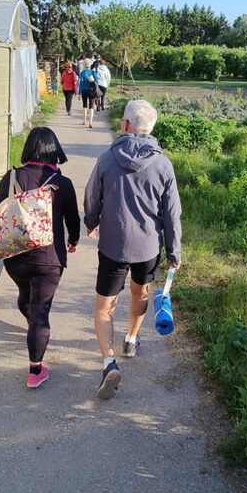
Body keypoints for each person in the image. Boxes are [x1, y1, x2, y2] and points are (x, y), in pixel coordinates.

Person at [83, 99, 182, 399]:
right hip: (148, 248)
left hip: (113, 245)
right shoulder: (163, 164)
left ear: (125, 124)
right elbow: (171, 214)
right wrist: (174, 251)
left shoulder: (106, 159)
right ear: (150, 128)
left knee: (104, 307)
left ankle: (109, 363)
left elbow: (92, 197)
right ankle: (130, 339)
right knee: (141, 294)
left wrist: (91, 222)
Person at [0, 127, 80, 388]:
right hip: (49, 260)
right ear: (54, 150)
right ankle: (35, 370)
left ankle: (31, 323)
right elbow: (73, 219)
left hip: (16, 256)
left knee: (25, 294)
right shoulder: (62, 183)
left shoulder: (11, 177)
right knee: (41, 311)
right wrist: (73, 240)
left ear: (29, 148)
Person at [78, 58, 98, 127]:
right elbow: (97, 82)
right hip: (92, 90)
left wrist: (79, 93)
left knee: (84, 105)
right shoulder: (93, 72)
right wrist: (96, 91)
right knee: (91, 106)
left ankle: (84, 121)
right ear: (90, 65)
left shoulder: (82, 73)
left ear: (84, 65)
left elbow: (81, 83)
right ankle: (90, 122)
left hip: (84, 90)